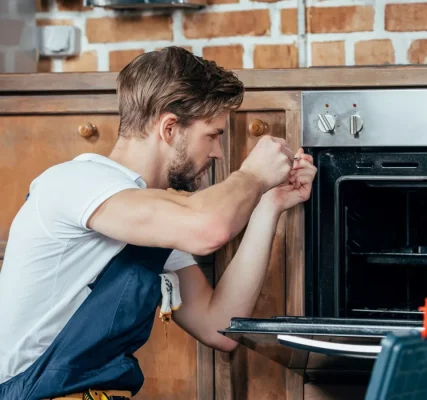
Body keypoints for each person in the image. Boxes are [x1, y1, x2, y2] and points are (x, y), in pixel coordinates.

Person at [0, 46, 317, 400]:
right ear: (169, 128)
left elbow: (219, 327)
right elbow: (209, 228)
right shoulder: (76, 182)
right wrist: (253, 176)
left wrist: (268, 205)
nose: (217, 154)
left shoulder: (155, 219)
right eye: (212, 135)